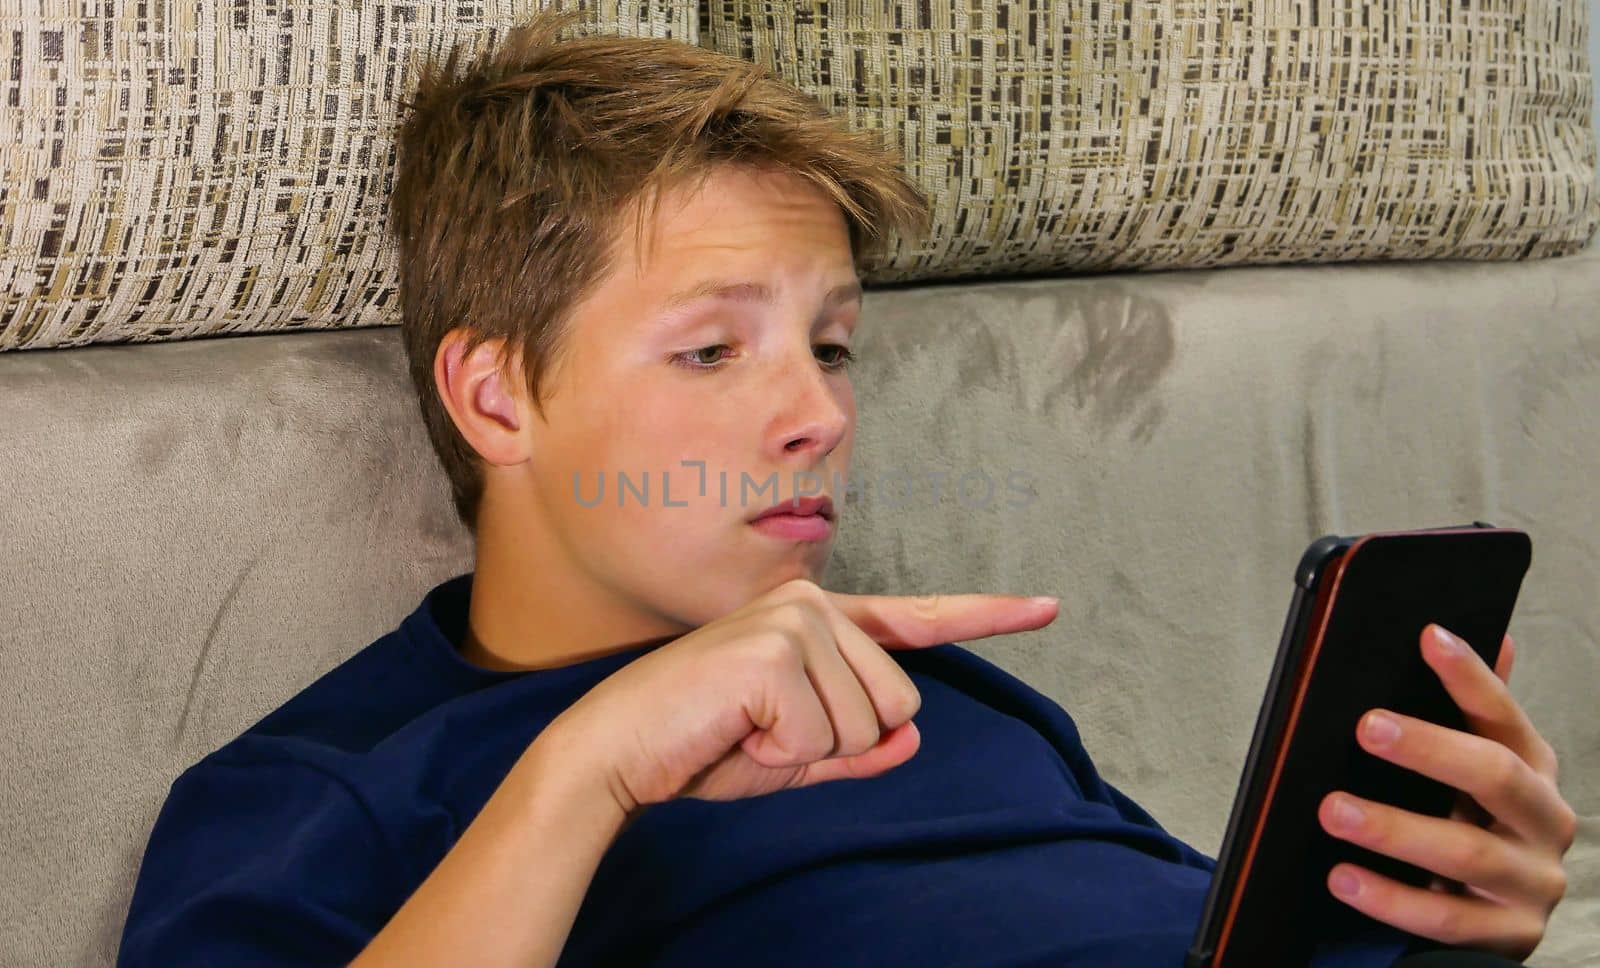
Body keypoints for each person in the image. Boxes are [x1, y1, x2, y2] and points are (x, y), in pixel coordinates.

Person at [116, 10, 1575, 966]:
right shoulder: (327, 792)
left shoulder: (946, 693)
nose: (819, 415)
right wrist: (591, 766)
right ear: (498, 396)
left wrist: (1453, 928)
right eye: (710, 348)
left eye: (832, 347)